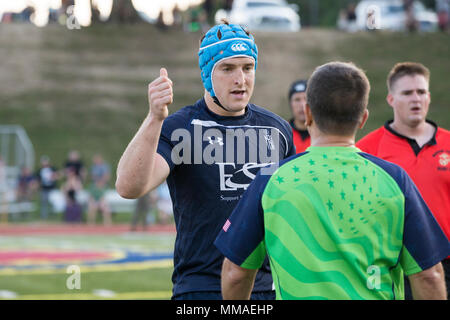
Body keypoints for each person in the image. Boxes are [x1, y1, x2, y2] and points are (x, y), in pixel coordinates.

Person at [214, 61, 450, 300]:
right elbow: (430, 276)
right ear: (363, 118)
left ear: (307, 114)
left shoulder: (270, 178)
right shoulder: (395, 179)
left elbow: (235, 273)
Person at [116, 21, 295, 300]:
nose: (241, 79)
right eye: (227, 68)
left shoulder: (278, 130)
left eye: (248, 67)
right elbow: (129, 187)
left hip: (264, 289)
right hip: (200, 289)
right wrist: (154, 118)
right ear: (207, 74)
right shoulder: (180, 127)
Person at [356, 62, 450, 299]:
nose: (416, 99)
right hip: (394, 265)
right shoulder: (368, 149)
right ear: (391, 99)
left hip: (446, 262)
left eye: (421, 92)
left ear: (429, 96)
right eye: (407, 93)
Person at [87, 154, 112, 226]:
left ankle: (107, 224)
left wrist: (102, 182)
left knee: (105, 207)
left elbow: (106, 176)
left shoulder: (104, 167)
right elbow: (91, 196)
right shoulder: (92, 186)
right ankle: (91, 224)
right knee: (91, 207)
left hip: (102, 200)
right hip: (95, 200)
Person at [288, 79, 310, 153]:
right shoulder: (283, 132)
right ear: (290, 104)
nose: (302, 105)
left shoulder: (324, 133)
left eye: (306, 99)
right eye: (297, 100)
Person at [35, 156, 59, 220]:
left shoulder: (52, 169)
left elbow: (57, 176)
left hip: (52, 188)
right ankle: (44, 216)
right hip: (44, 189)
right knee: (44, 202)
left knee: (53, 202)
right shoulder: (40, 170)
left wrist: (53, 177)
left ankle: (53, 215)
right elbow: (38, 180)